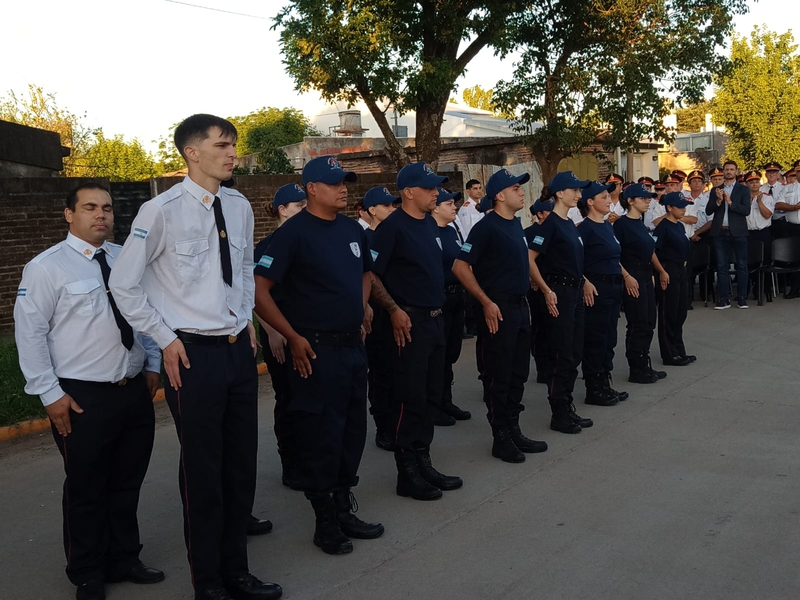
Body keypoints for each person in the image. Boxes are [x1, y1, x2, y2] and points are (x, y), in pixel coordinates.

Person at [109, 114, 281, 600]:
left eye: (233, 145)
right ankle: (208, 583)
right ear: (192, 152)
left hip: (235, 352)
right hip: (193, 356)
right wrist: (164, 338)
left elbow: (243, 267)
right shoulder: (161, 211)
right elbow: (123, 284)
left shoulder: (239, 204)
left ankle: (237, 573)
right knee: (204, 474)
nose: (233, 154)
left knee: (239, 467)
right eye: (223, 145)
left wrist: (245, 318)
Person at [14, 183, 164, 600]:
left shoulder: (125, 260)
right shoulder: (46, 268)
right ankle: (87, 571)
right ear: (69, 214)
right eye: (90, 208)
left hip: (132, 391)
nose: (101, 215)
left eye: (107, 209)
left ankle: (124, 557)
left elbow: (144, 313)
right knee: (86, 487)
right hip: (81, 397)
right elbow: (30, 335)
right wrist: (49, 394)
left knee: (127, 481)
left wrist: (151, 363)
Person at [254, 156, 384, 555]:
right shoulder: (292, 235)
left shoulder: (351, 229)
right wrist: (291, 336)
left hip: (351, 347)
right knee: (320, 434)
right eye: (334, 183)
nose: (343, 188)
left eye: (345, 182)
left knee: (351, 431)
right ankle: (324, 521)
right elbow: (258, 290)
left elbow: (366, 271)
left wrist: (362, 306)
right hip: (315, 349)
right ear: (311, 188)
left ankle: (344, 507)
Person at [371, 162, 463, 501]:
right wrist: (393, 310)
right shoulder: (392, 228)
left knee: (428, 396)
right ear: (409, 192)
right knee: (408, 398)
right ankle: (406, 471)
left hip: (435, 320)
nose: (436, 192)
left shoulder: (428, 225)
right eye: (429, 187)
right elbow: (372, 274)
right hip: (408, 325)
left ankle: (423, 461)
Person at [453, 169, 548, 462]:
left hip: (520, 308)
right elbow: (460, 266)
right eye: (515, 188)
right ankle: (501, 437)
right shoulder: (486, 227)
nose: (521, 192)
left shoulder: (515, 225)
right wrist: (485, 301)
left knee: (518, 373)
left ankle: (514, 428)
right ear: (500, 195)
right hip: (499, 310)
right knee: (500, 374)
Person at [527, 171, 594, 434]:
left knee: (575, 351)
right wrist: (545, 289)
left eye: (580, 190)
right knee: (562, 353)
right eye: (574, 190)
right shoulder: (550, 224)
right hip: (560, 294)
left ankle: (567, 406)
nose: (579, 195)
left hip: (575, 293)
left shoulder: (568, 223)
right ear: (559, 194)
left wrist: (585, 280)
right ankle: (559, 412)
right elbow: (529, 258)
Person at [253, 183, 307, 494]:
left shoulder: (307, 240)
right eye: (298, 206)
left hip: (306, 332)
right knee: (287, 398)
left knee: (309, 397)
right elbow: (255, 294)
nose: (303, 210)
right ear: (282, 210)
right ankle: (291, 462)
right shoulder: (266, 246)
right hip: (280, 333)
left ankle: (310, 456)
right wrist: (272, 331)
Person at [576, 181, 629, 406]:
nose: (610, 200)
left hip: (613, 288)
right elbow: (574, 262)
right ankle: (593, 388)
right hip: (596, 289)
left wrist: (626, 277)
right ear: (590, 202)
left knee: (609, 338)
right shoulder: (584, 228)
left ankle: (605, 383)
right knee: (595, 339)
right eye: (604, 197)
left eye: (609, 197)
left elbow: (615, 258)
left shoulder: (607, 225)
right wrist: (584, 282)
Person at [614, 183, 668, 384]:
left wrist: (658, 271)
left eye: (648, 198)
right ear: (630, 201)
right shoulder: (621, 224)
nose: (647, 201)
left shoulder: (641, 223)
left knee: (648, 322)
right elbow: (614, 254)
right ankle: (636, 367)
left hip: (645, 274)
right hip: (632, 275)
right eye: (643, 198)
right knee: (637, 322)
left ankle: (644, 363)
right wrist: (627, 276)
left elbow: (650, 250)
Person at [360, 186, 399, 448]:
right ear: (372, 210)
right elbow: (369, 276)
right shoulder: (367, 238)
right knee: (380, 372)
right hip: (377, 315)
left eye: (393, 205)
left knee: (396, 370)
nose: (392, 210)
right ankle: (383, 425)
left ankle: (395, 421)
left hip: (395, 312)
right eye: (386, 206)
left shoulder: (393, 234)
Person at [431, 187, 472, 424]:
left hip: (457, 298)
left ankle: (446, 400)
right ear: (435, 207)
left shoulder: (452, 230)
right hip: (441, 299)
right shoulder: (429, 231)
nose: (454, 207)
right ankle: (434, 404)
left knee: (451, 353)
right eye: (448, 204)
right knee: (438, 354)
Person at [654, 192, 695, 366]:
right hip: (668, 269)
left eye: (685, 206)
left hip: (681, 269)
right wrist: (661, 272)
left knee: (680, 312)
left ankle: (679, 349)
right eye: (680, 207)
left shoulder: (678, 226)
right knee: (668, 312)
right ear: (669, 208)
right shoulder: (662, 227)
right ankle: (669, 353)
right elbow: (653, 251)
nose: (684, 210)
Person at [705, 160, 751, 310]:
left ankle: (742, 298)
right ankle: (724, 299)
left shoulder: (743, 190)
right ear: (723, 172)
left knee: (742, 265)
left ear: (736, 172)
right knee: (721, 266)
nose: (729, 172)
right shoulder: (716, 190)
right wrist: (718, 201)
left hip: (738, 232)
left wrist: (730, 202)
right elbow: (708, 211)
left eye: (732, 169)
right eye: (726, 169)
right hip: (720, 231)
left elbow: (746, 211)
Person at [525, 197, 554, 384]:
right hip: (537, 285)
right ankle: (542, 367)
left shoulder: (556, 229)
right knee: (540, 327)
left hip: (555, 284)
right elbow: (525, 258)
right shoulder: (529, 233)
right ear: (540, 214)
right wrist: (531, 278)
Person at [457, 179, 485, 336]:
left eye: (480, 188)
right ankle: (472, 323)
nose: (478, 191)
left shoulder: (481, 206)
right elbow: (468, 235)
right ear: (468, 191)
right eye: (475, 188)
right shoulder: (466, 210)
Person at [744, 170, 774, 300]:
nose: (755, 184)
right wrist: (750, 203)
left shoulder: (767, 197)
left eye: (757, 181)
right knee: (749, 263)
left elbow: (767, 215)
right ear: (747, 184)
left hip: (763, 233)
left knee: (765, 261)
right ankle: (749, 289)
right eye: (751, 182)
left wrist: (759, 202)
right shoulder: (743, 199)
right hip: (748, 234)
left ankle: (763, 289)